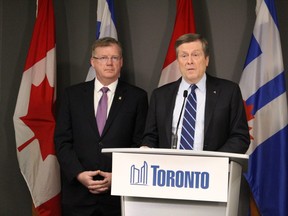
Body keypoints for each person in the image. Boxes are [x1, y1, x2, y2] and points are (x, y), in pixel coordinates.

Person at [54, 37, 148, 216]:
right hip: (78, 195)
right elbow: (62, 141)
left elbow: (140, 144)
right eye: (103, 58)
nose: (109, 63)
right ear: (92, 62)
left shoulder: (137, 97)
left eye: (114, 58)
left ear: (121, 62)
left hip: (117, 196)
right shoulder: (72, 95)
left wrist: (118, 176)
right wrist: (79, 174)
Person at [142, 33, 250, 153]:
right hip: (170, 169)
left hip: (212, 168)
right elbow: (150, 137)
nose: (189, 61)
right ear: (178, 62)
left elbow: (240, 137)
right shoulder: (160, 96)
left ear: (206, 60)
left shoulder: (228, 92)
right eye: (184, 56)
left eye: (195, 55)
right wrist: (146, 148)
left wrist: (215, 161)